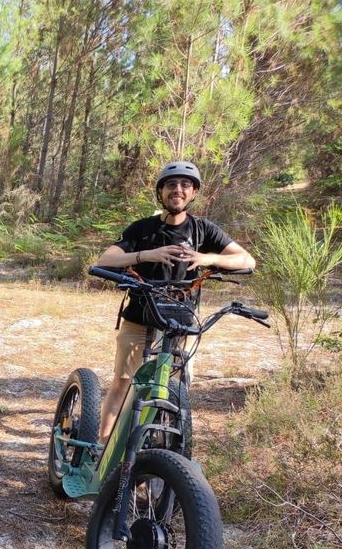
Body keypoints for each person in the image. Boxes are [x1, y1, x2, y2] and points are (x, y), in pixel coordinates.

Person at [94, 160, 256, 441]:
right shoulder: (143, 229)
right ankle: (101, 445)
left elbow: (246, 260)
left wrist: (208, 258)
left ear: (193, 193)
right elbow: (106, 259)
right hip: (140, 316)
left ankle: (165, 444)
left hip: (181, 320)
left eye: (185, 185)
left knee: (177, 385)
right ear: (161, 192)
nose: (177, 190)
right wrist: (148, 254)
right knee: (123, 382)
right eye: (171, 184)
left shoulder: (203, 230)